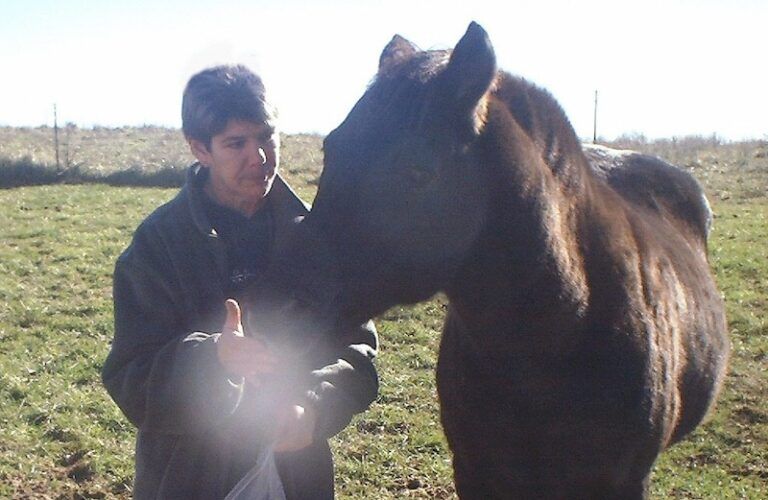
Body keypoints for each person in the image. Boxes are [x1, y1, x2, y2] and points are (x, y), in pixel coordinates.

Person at [102, 65, 379, 499]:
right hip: (188, 479)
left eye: (267, 137)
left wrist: (313, 405)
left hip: (296, 476)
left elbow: (357, 353)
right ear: (199, 148)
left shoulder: (316, 239)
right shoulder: (159, 246)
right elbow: (131, 379)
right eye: (236, 144)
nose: (260, 157)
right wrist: (213, 361)